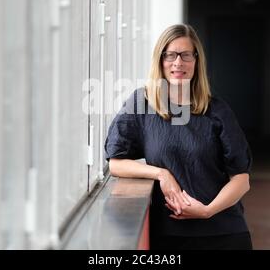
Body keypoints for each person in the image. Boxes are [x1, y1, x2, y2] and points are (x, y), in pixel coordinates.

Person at [104, 24, 253, 250]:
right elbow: (116, 162)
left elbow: (242, 181)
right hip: (168, 235)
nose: (178, 63)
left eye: (186, 55)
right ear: (160, 60)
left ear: (196, 61)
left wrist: (206, 211)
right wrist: (161, 174)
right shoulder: (143, 105)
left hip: (223, 232)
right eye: (170, 55)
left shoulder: (217, 111)